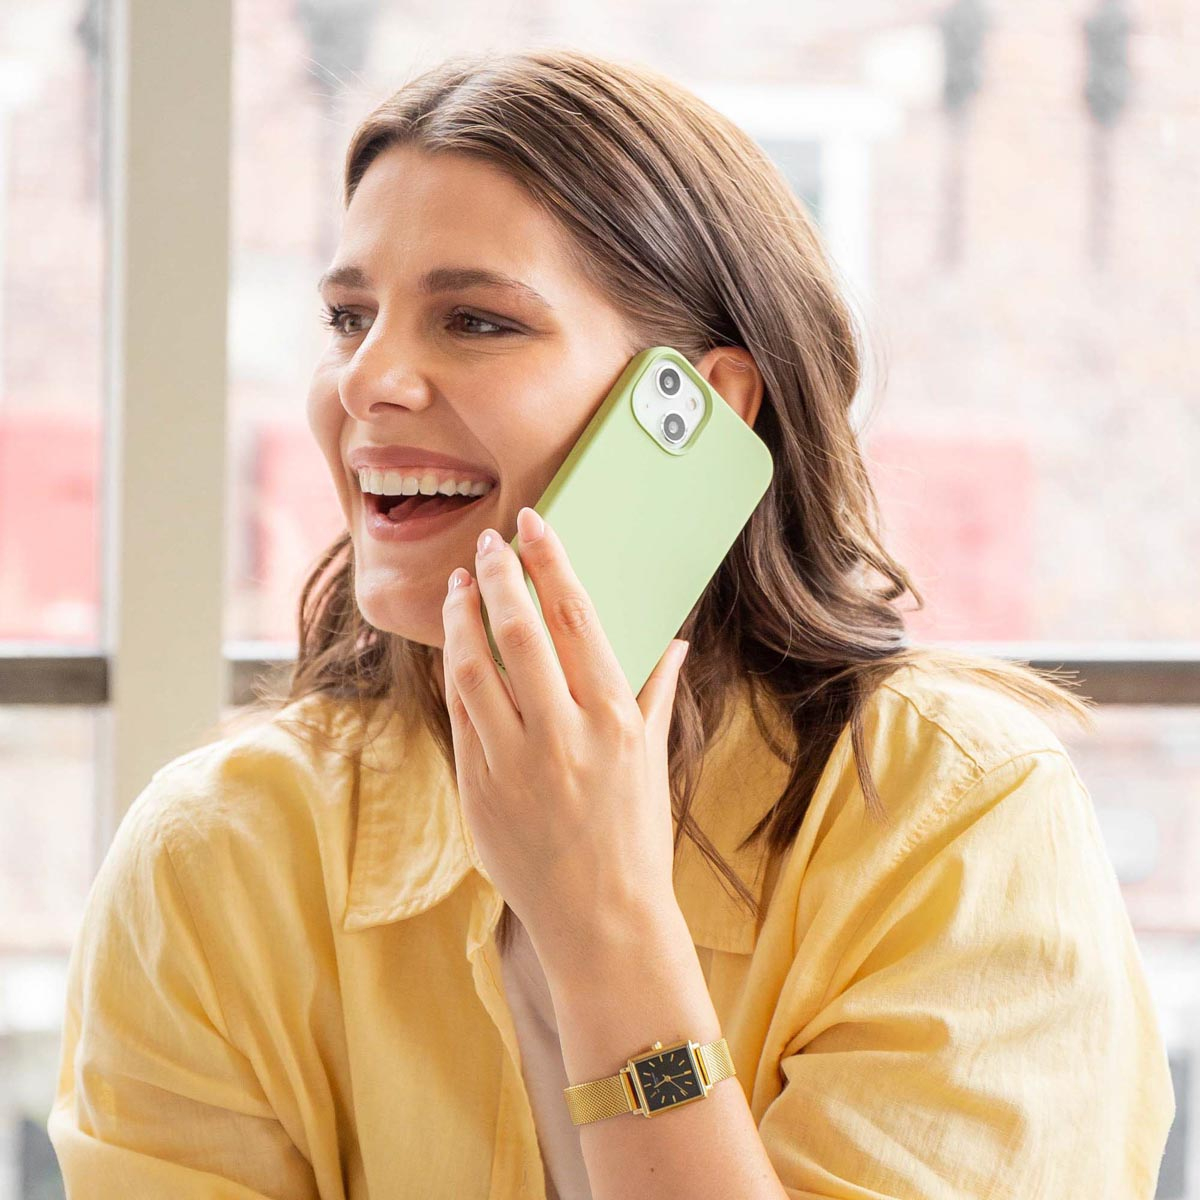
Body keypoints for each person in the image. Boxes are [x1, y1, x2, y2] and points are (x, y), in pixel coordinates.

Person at [47, 45, 1174, 1200]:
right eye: (349, 317)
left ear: (706, 407)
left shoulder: (954, 817)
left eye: (474, 320)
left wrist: (600, 926)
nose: (367, 381)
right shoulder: (218, 854)